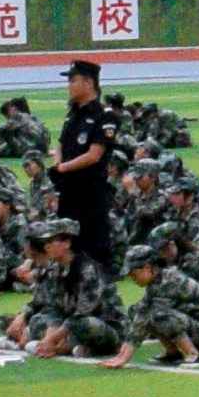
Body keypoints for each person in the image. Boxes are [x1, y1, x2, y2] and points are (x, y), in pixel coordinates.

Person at [47, 58, 123, 265]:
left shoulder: (104, 116)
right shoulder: (72, 114)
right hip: (69, 189)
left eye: (73, 80)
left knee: (94, 244)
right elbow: (61, 144)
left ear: (89, 83)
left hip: (90, 191)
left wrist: (62, 167)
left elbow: (94, 154)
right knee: (67, 241)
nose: (69, 85)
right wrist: (58, 164)